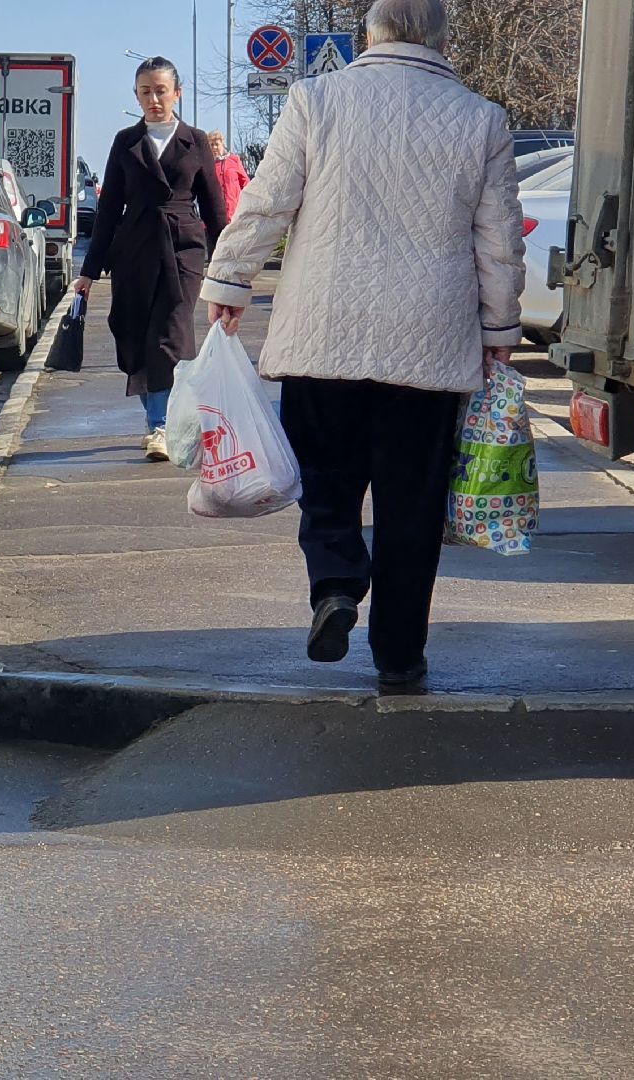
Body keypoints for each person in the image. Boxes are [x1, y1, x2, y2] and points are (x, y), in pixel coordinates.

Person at [201, 0, 526, 693]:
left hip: (324, 339)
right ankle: (400, 657)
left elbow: (267, 200)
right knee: (411, 510)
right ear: (441, 40)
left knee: (326, 484)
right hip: (430, 351)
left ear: (368, 36)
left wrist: (230, 278)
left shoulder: (316, 100)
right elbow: (499, 240)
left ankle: (337, 584)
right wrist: (499, 330)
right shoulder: (482, 119)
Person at [73, 57, 230, 463]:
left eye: (161, 90)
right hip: (135, 251)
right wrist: (89, 272)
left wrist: (230, 268)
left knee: (169, 337)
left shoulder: (194, 140)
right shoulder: (125, 141)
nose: (154, 98)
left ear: (177, 93)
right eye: (146, 91)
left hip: (182, 251)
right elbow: (108, 211)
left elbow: (214, 209)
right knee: (136, 337)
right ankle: (161, 418)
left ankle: (162, 427)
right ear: (137, 96)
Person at [209, 129, 251, 218]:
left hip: (235, 212)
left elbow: (246, 183)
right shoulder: (208, 165)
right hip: (216, 213)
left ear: (222, 144)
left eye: (217, 144)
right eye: (211, 145)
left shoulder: (234, 160)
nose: (214, 147)